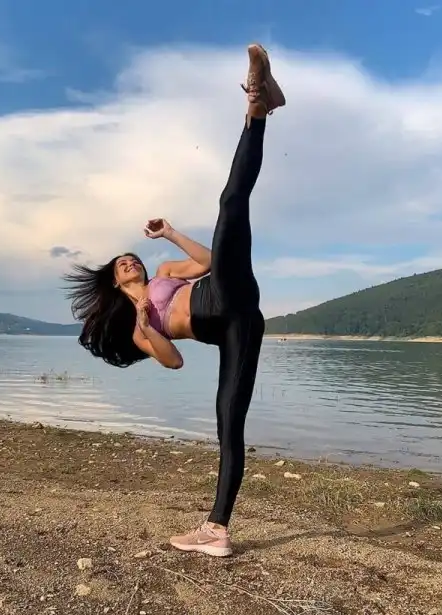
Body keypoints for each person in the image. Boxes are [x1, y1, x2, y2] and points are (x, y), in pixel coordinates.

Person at [65, 43, 285, 557]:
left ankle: (257, 106)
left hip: (222, 291)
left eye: (132, 258)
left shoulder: (165, 270)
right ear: (114, 283)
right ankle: (217, 530)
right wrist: (145, 321)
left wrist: (170, 233)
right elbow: (174, 360)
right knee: (230, 425)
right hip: (238, 326)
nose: (131, 262)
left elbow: (208, 261)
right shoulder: (137, 325)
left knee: (231, 202)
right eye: (122, 264)